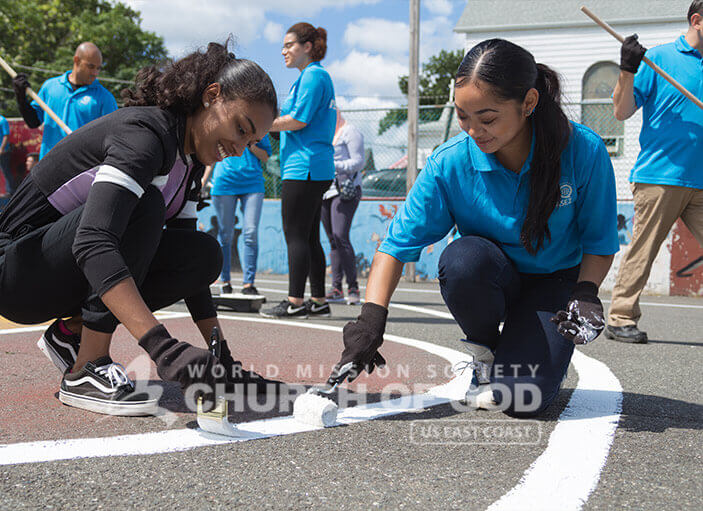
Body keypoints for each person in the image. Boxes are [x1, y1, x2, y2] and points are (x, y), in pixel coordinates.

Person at [0, 42, 280, 416]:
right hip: (14, 272)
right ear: (212, 95)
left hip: (60, 266)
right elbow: (93, 241)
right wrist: (163, 347)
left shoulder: (187, 163)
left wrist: (223, 361)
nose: (239, 148)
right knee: (144, 205)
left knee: (203, 255)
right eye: (240, 129)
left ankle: (72, 333)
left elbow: (189, 271)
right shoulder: (146, 136)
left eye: (250, 142)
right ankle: (86, 369)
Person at [327, 39, 619, 417]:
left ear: (529, 103)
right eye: (463, 116)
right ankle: (485, 354)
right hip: (491, 276)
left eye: (488, 117)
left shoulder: (584, 151)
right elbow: (395, 246)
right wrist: (371, 319)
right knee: (462, 260)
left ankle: (528, 350)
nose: (473, 131)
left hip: (555, 283)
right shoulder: (449, 163)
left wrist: (586, 292)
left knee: (521, 399)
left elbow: (599, 241)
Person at [606, 1, 703, 344]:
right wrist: (627, 70)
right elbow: (621, 111)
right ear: (697, 20)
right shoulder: (659, 59)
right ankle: (620, 318)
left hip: (701, 181)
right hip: (659, 177)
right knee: (643, 250)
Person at [261, 22, 336, 319]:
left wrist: (260, 125)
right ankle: (318, 300)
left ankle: (295, 302)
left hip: (303, 167)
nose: (283, 51)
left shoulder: (313, 76)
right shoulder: (310, 78)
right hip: (312, 165)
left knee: (295, 234)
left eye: (289, 45)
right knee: (309, 236)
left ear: (307, 46)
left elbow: (298, 120)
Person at [12, 42, 118, 159]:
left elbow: (113, 138)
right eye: (91, 66)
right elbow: (33, 122)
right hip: (48, 164)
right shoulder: (50, 86)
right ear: (76, 60)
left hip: (81, 168)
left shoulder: (104, 97)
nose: (95, 73)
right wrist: (21, 97)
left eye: (98, 68)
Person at [202, 134, 271, 295]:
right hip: (224, 183)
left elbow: (266, 157)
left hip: (253, 184)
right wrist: (203, 181)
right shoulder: (226, 124)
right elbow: (212, 155)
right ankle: (225, 281)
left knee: (251, 233)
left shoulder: (261, 126)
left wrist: (250, 142)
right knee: (225, 234)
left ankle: (249, 284)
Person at [322, 112, 364, 305]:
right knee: (332, 240)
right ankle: (336, 287)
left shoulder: (350, 131)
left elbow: (359, 161)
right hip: (325, 190)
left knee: (340, 236)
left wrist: (333, 165)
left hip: (345, 190)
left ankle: (353, 287)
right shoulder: (324, 132)